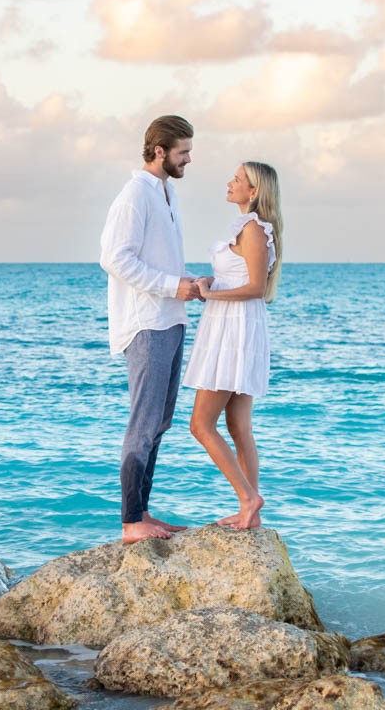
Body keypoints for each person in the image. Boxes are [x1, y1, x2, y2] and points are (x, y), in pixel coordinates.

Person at [99, 115, 201, 544]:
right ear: (160, 151)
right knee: (143, 424)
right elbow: (114, 258)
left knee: (160, 422)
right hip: (146, 325)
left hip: (172, 319)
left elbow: (157, 258)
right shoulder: (134, 195)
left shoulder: (167, 192)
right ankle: (130, 522)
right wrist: (170, 285)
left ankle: (141, 513)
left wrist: (187, 281)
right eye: (183, 152)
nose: (189, 159)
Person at [183, 162, 283, 530]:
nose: (230, 182)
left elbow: (256, 287)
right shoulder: (247, 228)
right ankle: (250, 515)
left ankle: (248, 497)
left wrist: (210, 292)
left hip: (233, 330)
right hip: (233, 325)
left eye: (238, 179)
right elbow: (238, 276)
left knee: (200, 424)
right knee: (238, 425)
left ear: (254, 191)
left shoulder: (254, 228)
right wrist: (214, 280)